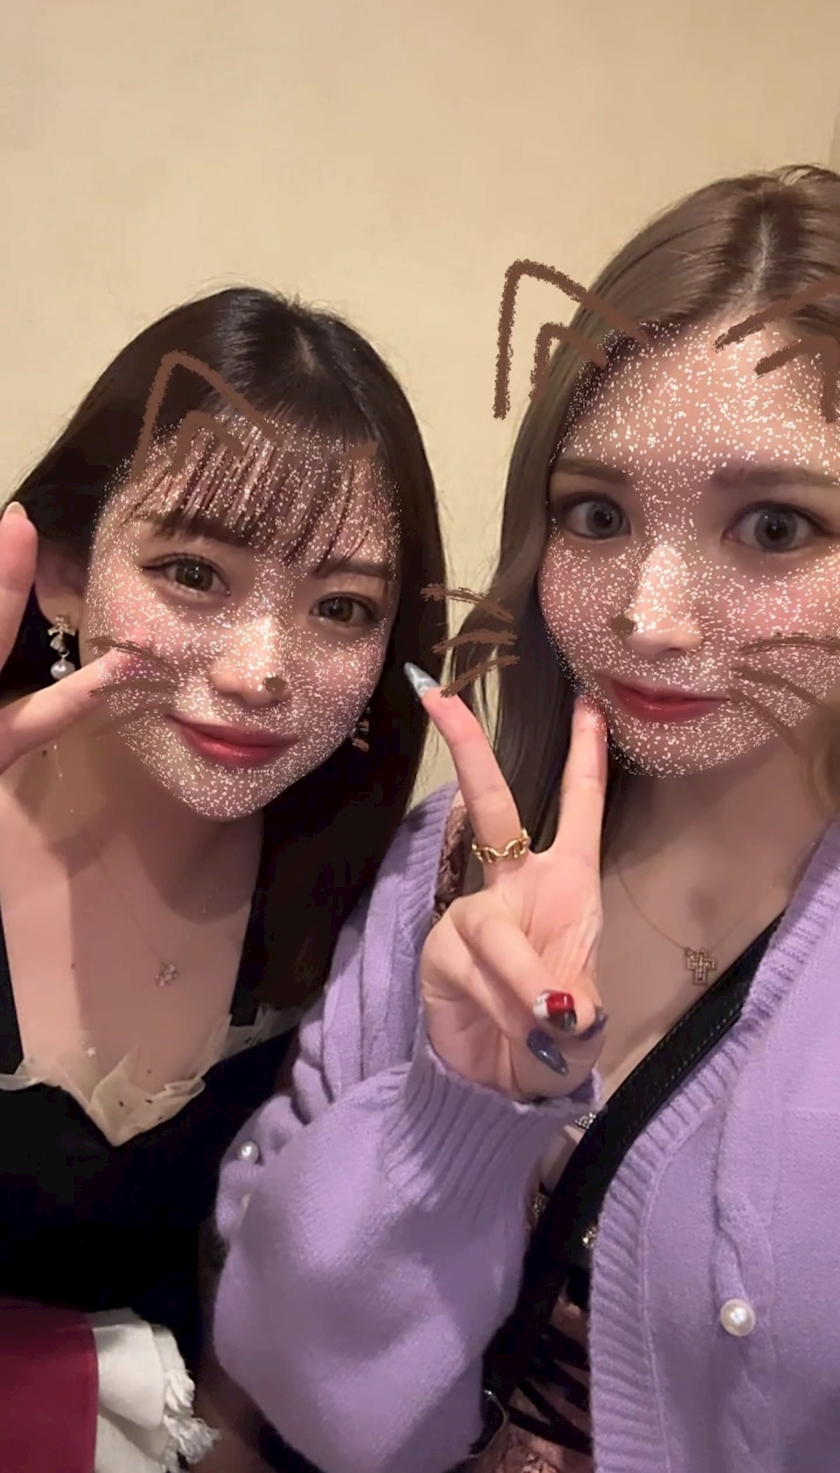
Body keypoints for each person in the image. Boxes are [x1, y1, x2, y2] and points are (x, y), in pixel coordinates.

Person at [211, 164, 840, 1473]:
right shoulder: (452, 867)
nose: (649, 616)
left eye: (775, 525)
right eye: (597, 514)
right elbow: (288, 1376)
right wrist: (453, 1114)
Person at [0, 284, 445, 1473]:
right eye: (195, 573)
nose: (259, 670)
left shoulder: (365, 907)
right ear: (63, 573)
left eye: (341, 607)